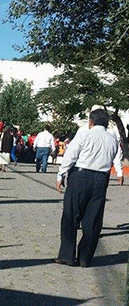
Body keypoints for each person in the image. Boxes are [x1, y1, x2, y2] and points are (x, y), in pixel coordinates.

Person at [54, 109, 123, 267]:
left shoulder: (84, 135)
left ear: (91, 122)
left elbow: (70, 156)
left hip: (80, 177)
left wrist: (60, 175)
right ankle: (85, 258)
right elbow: (116, 159)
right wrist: (119, 173)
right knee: (93, 220)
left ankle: (67, 256)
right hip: (101, 179)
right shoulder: (112, 140)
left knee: (71, 216)